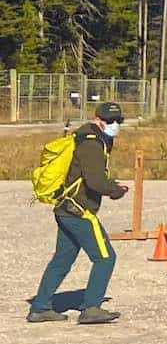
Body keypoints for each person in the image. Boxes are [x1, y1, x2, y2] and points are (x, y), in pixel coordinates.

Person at [31, 101, 132, 324]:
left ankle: (39, 308)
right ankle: (91, 307)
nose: (115, 124)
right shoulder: (92, 144)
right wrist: (115, 190)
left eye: (118, 121)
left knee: (62, 259)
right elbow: (95, 181)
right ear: (98, 120)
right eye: (110, 121)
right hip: (79, 211)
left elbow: (87, 176)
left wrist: (109, 184)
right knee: (105, 257)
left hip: (65, 208)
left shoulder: (92, 139)